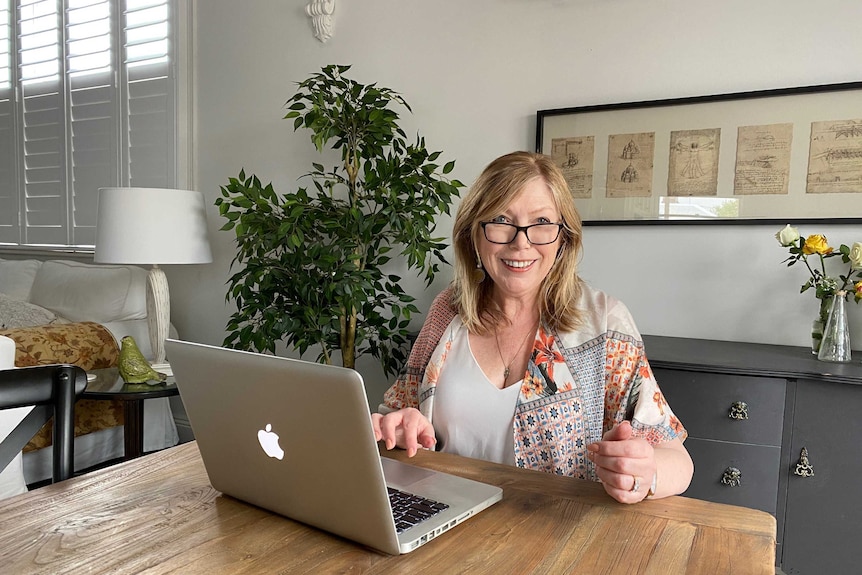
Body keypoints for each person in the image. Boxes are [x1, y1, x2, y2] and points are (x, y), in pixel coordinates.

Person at [372, 151, 693, 503]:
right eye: (500, 220)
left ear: (563, 237)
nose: (520, 242)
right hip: (444, 525)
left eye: (541, 221)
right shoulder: (447, 312)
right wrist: (402, 426)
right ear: (474, 235)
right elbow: (397, 415)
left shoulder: (605, 322)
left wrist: (645, 474)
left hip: (556, 540)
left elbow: (678, 461)